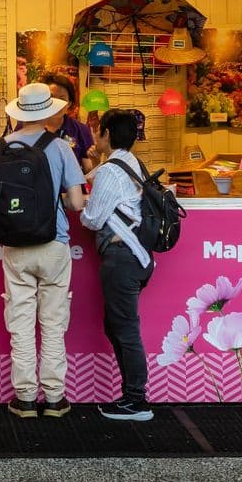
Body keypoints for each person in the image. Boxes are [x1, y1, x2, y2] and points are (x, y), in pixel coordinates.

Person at [0, 82, 86, 418]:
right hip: (53, 243)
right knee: (53, 324)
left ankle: (25, 398)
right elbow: (74, 201)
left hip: (15, 245)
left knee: (21, 322)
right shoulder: (60, 148)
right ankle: (55, 399)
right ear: (48, 112)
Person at [80, 109, 156, 421]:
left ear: (107, 134)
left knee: (124, 328)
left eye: (98, 131)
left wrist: (82, 208)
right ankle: (132, 396)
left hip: (123, 257)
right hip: (136, 256)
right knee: (118, 326)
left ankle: (136, 401)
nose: (94, 136)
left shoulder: (112, 171)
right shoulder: (131, 163)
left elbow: (93, 218)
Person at [41, 72, 94, 175]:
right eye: (51, 97)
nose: (55, 103)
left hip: (70, 190)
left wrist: (96, 160)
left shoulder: (81, 130)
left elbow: (88, 169)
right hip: (37, 189)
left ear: (69, 103)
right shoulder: (28, 126)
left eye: (61, 99)